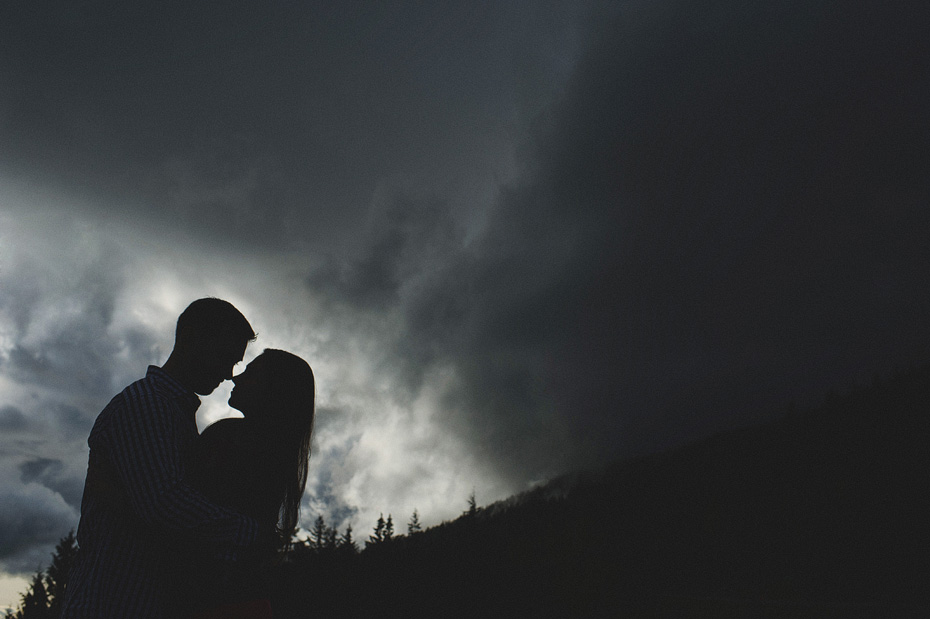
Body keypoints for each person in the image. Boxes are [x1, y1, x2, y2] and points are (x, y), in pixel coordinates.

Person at [62, 298, 266, 619]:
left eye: (235, 364)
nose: (228, 374)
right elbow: (164, 503)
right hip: (114, 603)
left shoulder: (171, 410)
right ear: (190, 340)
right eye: (224, 357)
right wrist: (252, 533)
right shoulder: (147, 405)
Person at [178, 349, 316, 618]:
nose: (235, 379)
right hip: (248, 601)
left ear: (273, 391)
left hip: (212, 603)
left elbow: (176, 507)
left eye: (251, 374)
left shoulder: (228, 439)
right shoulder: (275, 456)